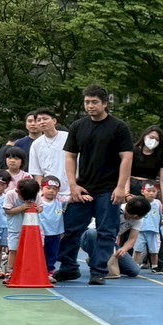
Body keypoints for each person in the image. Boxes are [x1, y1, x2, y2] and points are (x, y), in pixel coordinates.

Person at [55, 85, 133, 286]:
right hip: (83, 187)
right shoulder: (78, 126)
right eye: (87, 102)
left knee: (106, 231)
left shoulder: (119, 127)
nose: (90, 106)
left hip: (108, 188)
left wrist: (121, 187)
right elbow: (71, 156)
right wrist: (73, 185)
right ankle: (68, 267)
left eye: (94, 102)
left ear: (105, 104)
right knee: (71, 228)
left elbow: (126, 158)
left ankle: (98, 271)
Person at [28, 109, 68, 189]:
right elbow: (36, 172)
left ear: (54, 121)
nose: (42, 122)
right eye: (38, 120)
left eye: (45, 119)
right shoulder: (36, 144)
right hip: (49, 190)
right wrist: (42, 190)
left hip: (71, 188)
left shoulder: (68, 137)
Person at [130, 124, 163, 200]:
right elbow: (125, 173)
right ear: (144, 136)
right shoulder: (133, 150)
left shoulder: (161, 156)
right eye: (151, 137)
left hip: (150, 190)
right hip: (131, 186)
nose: (153, 140)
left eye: (157, 139)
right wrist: (126, 193)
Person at [134, 181, 163, 270]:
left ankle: (155, 266)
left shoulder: (158, 203)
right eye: (148, 191)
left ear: (157, 192)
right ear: (143, 192)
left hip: (154, 231)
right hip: (140, 230)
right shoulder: (139, 202)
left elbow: (162, 214)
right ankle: (135, 265)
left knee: (154, 250)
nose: (151, 193)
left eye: (154, 191)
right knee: (138, 249)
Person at [38, 176, 65, 269]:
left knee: (52, 253)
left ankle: (49, 270)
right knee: (40, 252)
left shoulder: (60, 201)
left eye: (55, 189)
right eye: (48, 188)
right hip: (41, 233)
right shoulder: (37, 201)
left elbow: (72, 198)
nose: (51, 191)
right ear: (42, 188)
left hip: (55, 234)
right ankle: (39, 269)